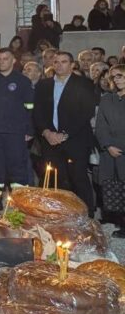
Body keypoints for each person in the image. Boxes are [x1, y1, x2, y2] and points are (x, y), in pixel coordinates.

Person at [33, 51, 99, 213]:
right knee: (55, 179)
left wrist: (64, 134)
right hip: (50, 140)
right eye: (56, 62)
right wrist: (46, 132)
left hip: (75, 140)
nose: (59, 65)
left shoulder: (84, 84)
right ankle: (59, 214)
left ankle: (86, 214)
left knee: (78, 178)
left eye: (64, 62)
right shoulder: (44, 85)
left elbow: (86, 112)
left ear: (72, 65)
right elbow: (37, 111)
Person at [0, 47, 35, 204]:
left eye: (6, 59)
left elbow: (30, 108)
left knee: (17, 168)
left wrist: (30, 130)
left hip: (16, 132)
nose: (2, 62)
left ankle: (19, 203)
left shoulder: (23, 81)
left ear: (13, 61)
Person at [95, 65, 125, 238]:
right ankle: (121, 224)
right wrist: (108, 145)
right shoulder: (107, 99)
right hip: (110, 152)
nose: (117, 80)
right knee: (115, 190)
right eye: (114, 77)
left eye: (120, 75)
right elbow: (100, 126)